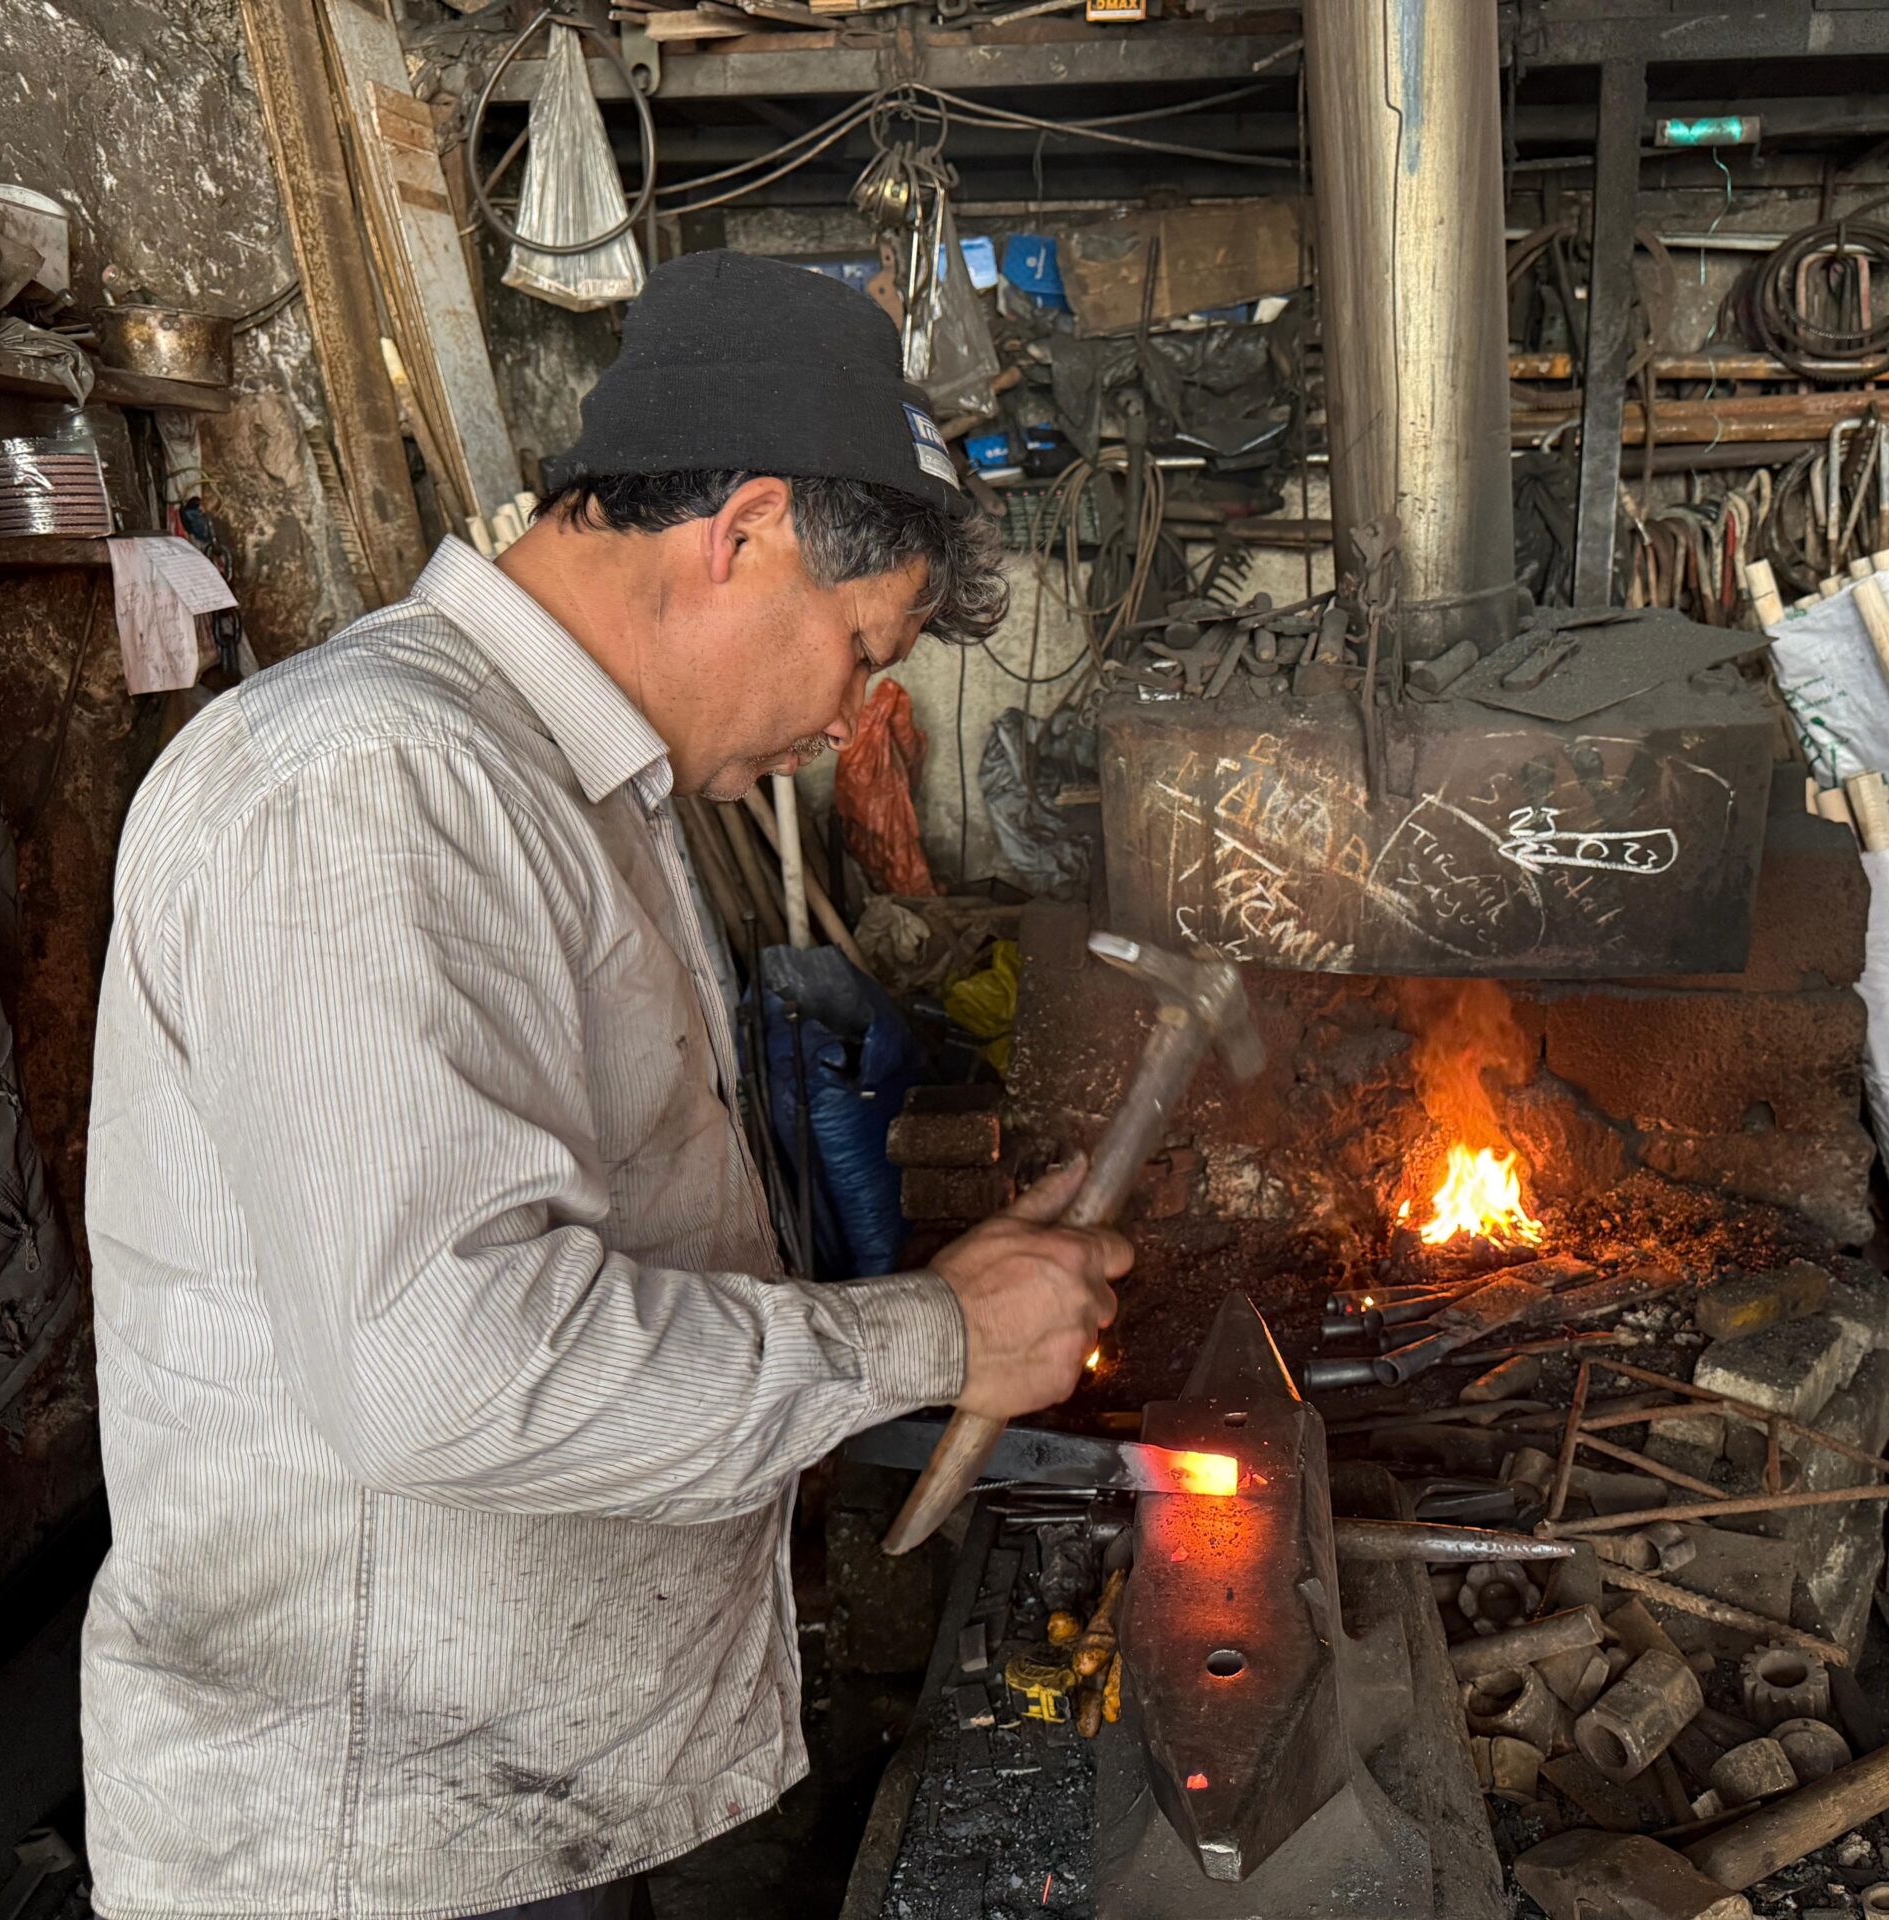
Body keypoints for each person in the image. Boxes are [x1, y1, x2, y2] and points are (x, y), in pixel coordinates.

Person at [79, 252, 1129, 1920]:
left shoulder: (564, 788)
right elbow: (447, 1364)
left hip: (517, 1787)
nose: (854, 713)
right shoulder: (376, 785)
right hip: (380, 1844)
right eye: (864, 648)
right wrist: (932, 1337)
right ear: (746, 534)